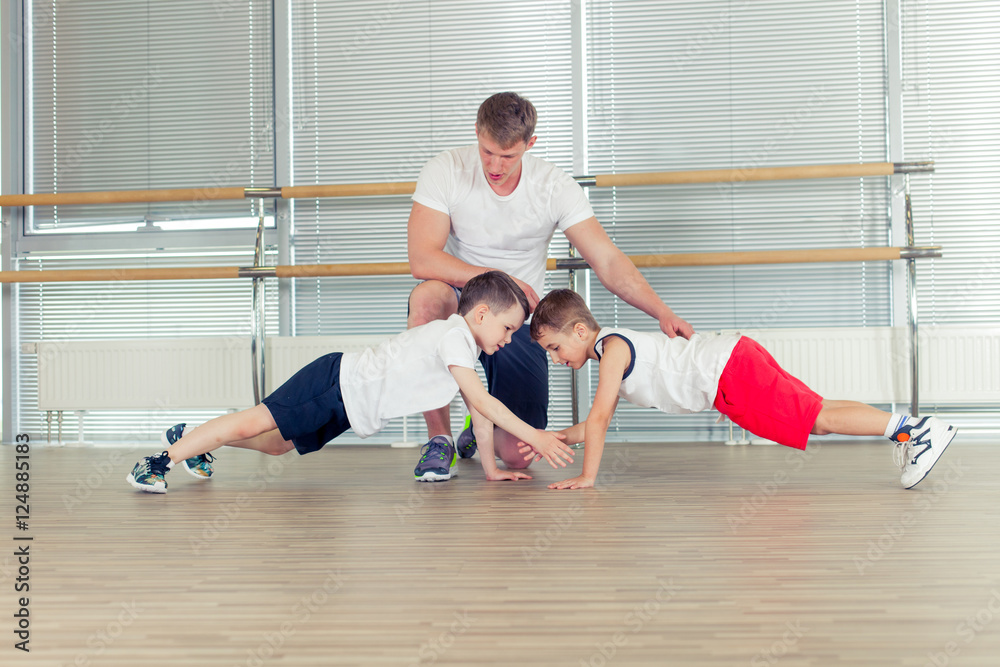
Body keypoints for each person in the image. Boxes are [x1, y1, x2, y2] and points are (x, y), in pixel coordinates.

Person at [406, 91, 694, 481]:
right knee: (426, 298)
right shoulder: (445, 169)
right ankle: (439, 440)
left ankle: (479, 425)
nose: (494, 164)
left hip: (518, 317)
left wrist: (662, 312)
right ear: (477, 132)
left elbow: (607, 260)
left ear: (530, 144)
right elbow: (423, 259)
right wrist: (502, 280)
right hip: (463, 300)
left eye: (507, 156)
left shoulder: (553, 186)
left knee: (519, 455)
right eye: (487, 151)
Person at [126, 272, 574, 493]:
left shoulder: (465, 347)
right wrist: (535, 435)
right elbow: (483, 401)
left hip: (347, 405)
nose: (510, 339)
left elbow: (478, 413)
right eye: (509, 329)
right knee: (253, 422)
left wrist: (493, 471)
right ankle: (157, 462)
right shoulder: (455, 336)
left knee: (279, 443)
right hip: (333, 382)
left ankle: (191, 437)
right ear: (481, 315)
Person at [525, 289, 958, 490]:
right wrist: (556, 436)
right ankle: (908, 430)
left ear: (580, 330)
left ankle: (918, 430)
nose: (556, 358)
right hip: (731, 361)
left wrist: (587, 477)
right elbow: (594, 424)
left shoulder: (612, 348)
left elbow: (599, 420)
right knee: (817, 413)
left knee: (816, 419)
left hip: (728, 372)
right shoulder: (611, 349)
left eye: (555, 347)